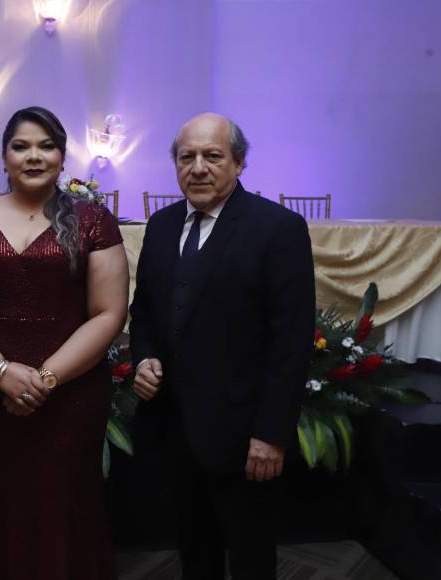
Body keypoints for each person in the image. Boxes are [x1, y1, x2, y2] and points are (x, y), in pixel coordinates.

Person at [0, 106, 129, 580]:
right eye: (21, 146)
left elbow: (109, 313)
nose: (33, 156)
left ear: (63, 158)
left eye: (46, 146)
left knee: (63, 497)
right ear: (4, 157)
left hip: (71, 392)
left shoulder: (93, 220)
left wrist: (44, 379)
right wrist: (2, 373)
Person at [129, 113, 315, 580]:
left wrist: (271, 434)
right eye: (186, 157)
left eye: (212, 156)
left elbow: (290, 342)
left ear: (238, 163)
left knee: (251, 557)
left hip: (244, 437)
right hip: (174, 430)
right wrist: (144, 356)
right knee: (195, 553)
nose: (198, 167)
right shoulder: (162, 225)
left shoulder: (278, 229)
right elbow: (146, 311)